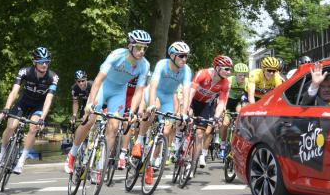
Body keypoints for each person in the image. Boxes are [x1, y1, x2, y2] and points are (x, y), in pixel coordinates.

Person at [65, 30, 151, 175]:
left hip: (119, 92)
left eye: (144, 48)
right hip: (104, 86)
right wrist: (89, 103)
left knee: (114, 125)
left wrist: (132, 112)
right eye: (138, 47)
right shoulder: (117, 55)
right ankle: (72, 155)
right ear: (130, 46)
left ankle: (100, 166)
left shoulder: (144, 65)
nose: (142, 51)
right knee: (89, 119)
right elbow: (98, 80)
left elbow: (139, 91)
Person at [132, 41, 192, 183]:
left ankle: (150, 164)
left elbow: (186, 92)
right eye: (182, 56)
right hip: (154, 93)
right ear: (172, 55)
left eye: (186, 56)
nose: (184, 59)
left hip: (168, 98)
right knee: (154, 109)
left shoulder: (186, 70)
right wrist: (151, 104)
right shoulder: (162, 64)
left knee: (166, 131)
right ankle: (139, 141)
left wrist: (184, 113)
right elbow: (153, 86)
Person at [0, 47, 59, 174]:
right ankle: (1, 156)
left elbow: (48, 100)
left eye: (46, 61)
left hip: (38, 106)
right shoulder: (25, 72)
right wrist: (6, 108)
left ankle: (22, 160)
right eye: (40, 61)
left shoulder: (53, 77)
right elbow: (14, 92)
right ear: (34, 62)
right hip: (23, 103)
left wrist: (42, 119)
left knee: (34, 128)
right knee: (11, 126)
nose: (44, 64)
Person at [187, 55, 232, 168]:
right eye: (226, 69)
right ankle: (180, 144)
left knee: (199, 134)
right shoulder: (203, 73)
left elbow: (221, 102)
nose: (229, 71)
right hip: (193, 100)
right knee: (186, 118)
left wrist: (217, 117)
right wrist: (187, 108)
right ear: (217, 68)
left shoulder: (225, 83)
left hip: (205, 105)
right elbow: (191, 92)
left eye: (230, 69)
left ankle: (193, 161)